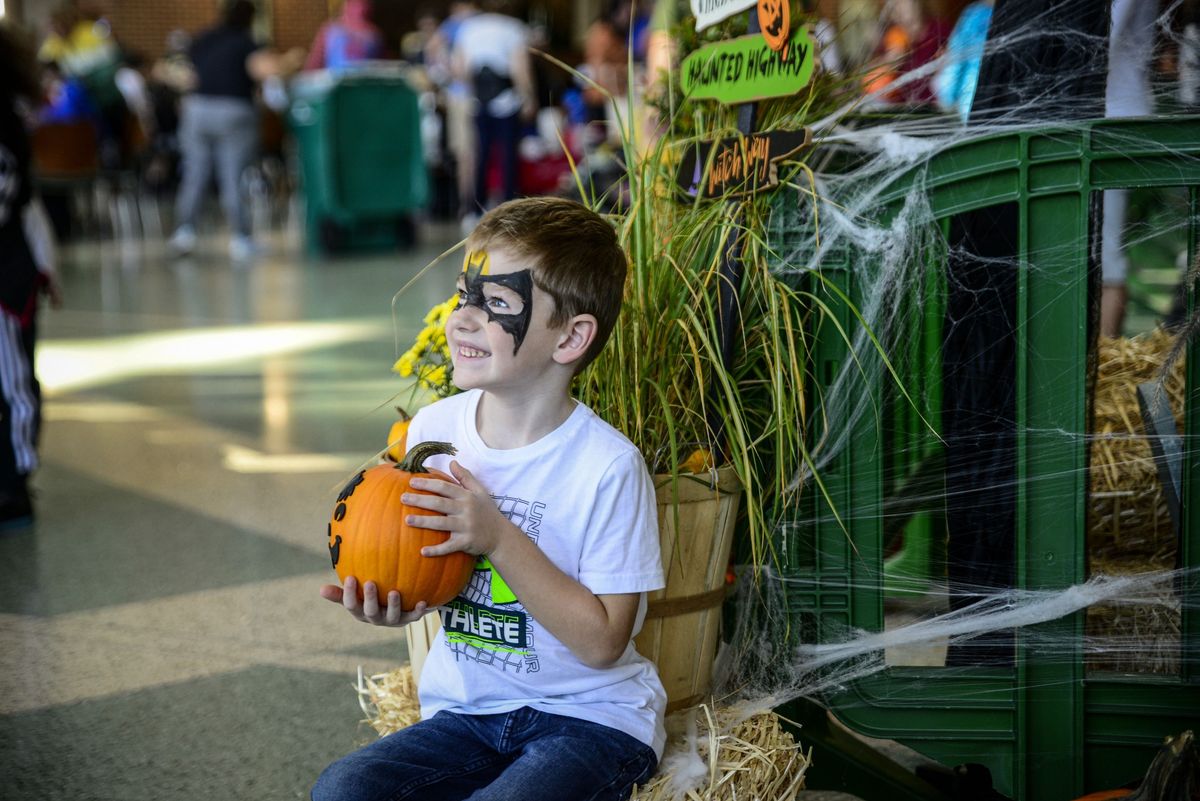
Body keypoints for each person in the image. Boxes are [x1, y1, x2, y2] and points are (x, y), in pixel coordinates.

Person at [313, 197, 665, 801]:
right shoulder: (433, 434)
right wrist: (400, 603)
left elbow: (604, 644)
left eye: (496, 304)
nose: (461, 320)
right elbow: (430, 571)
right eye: (462, 296)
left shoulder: (607, 466)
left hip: (592, 723)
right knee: (344, 790)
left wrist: (498, 535)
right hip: (468, 715)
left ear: (571, 337)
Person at [167, 0, 304, 262]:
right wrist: (290, 61)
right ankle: (241, 239)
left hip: (197, 110)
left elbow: (187, 75)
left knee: (195, 173)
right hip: (234, 111)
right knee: (233, 176)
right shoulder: (246, 42)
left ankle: (184, 233)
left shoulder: (204, 38)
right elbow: (265, 70)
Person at [0, 23, 62, 527]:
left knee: (13, 381)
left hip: (7, 276)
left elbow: (16, 205)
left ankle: (14, 480)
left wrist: (47, 270)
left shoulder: (7, 122)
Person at [452, 1, 536, 228]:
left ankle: (474, 210)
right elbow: (520, 69)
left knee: (480, 154)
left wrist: (473, 90)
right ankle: (509, 210)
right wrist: (529, 97)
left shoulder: (468, 28)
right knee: (508, 155)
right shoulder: (515, 28)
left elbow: (459, 67)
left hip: (478, 99)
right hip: (506, 99)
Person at [304, 0, 384, 72]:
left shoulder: (374, 34)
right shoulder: (329, 30)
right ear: (346, 5)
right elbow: (313, 65)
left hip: (364, 86)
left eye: (364, 4)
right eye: (355, 4)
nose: (360, 8)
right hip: (336, 86)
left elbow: (381, 67)